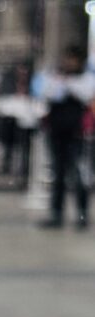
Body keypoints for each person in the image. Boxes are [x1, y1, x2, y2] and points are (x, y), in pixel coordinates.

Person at [36, 45, 95, 230]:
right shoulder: (55, 76)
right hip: (57, 131)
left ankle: (82, 213)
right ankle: (56, 213)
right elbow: (47, 93)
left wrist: (69, 85)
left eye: (71, 59)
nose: (68, 62)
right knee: (58, 173)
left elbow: (86, 95)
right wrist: (60, 83)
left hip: (76, 134)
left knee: (78, 174)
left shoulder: (86, 78)